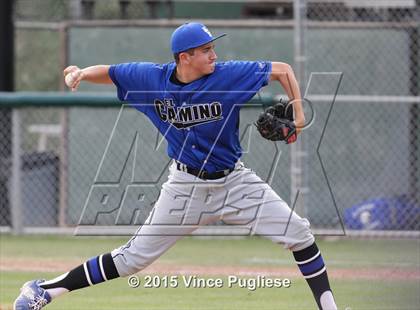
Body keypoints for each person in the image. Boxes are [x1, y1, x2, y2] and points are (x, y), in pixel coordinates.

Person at [14, 22, 337, 310]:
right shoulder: (150, 79)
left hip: (235, 183)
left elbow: (282, 70)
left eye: (213, 48)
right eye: (206, 50)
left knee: (299, 233)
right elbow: (112, 72)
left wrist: (298, 115)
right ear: (185, 57)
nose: (214, 55)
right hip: (185, 187)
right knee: (132, 259)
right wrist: (82, 73)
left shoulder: (228, 75)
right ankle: (44, 291)